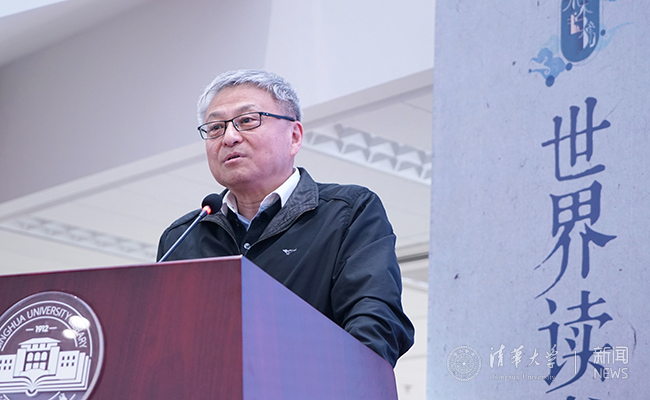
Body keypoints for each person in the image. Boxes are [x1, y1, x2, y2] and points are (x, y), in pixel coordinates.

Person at [157, 69, 414, 367]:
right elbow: (160, 342)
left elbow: (375, 323)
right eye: (215, 128)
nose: (229, 137)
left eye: (247, 121)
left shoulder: (348, 212)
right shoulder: (183, 237)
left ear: (294, 137)